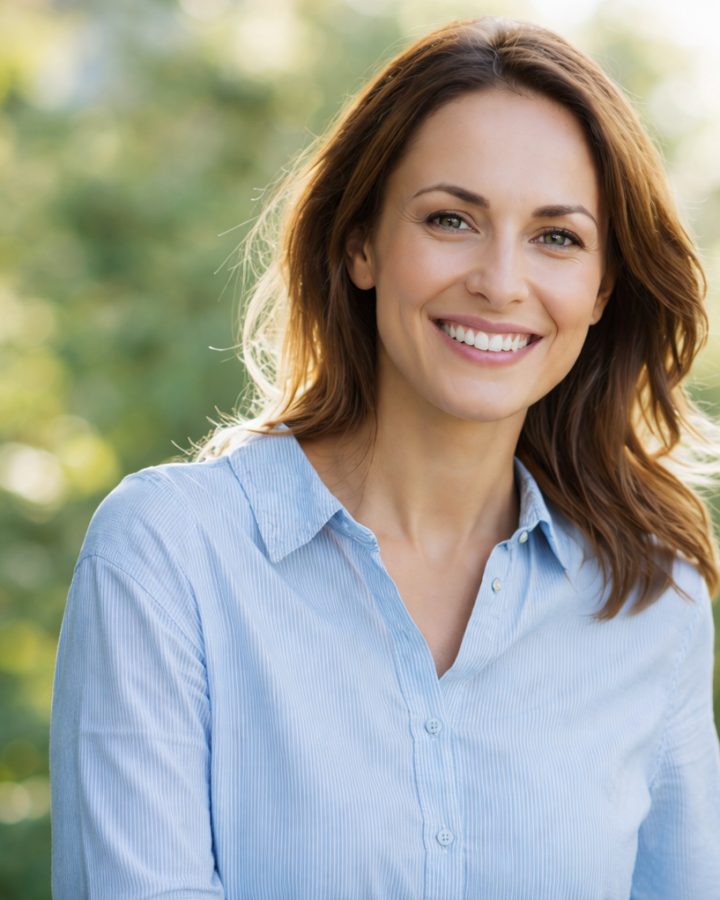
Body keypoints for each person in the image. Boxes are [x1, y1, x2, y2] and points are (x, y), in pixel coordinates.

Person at [50, 16, 720, 900]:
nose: (500, 280)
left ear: (602, 290)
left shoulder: (650, 600)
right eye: (451, 219)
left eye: (557, 236)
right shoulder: (170, 557)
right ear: (361, 243)